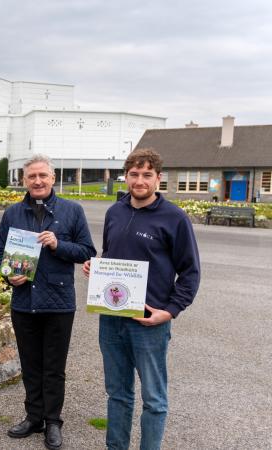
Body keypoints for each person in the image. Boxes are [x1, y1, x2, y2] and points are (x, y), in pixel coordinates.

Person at [83, 148, 200, 450]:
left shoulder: (175, 218)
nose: (139, 180)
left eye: (147, 174)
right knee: (118, 394)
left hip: (149, 323)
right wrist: (97, 268)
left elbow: (190, 272)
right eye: (134, 174)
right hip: (112, 318)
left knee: (154, 399)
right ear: (126, 176)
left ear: (158, 178)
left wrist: (169, 311)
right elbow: (111, 255)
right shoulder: (115, 212)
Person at [0, 154, 96, 450]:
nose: (37, 181)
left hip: (58, 302)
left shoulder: (72, 210)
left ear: (52, 178)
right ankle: (33, 417)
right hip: (24, 301)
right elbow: (0, 254)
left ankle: (53, 421)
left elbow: (87, 251)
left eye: (43, 175)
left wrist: (57, 244)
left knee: (53, 366)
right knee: (30, 364)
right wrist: (8, 276)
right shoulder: (12, 213)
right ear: (24, 180)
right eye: (32, 176)